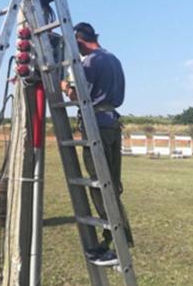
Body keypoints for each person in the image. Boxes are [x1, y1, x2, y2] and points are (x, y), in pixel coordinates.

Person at [60, 22, 134, 267]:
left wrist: (64, 87)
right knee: (112, 182)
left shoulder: (90, 62)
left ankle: (114, 239)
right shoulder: (113, 59)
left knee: (99, 183)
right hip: (112, 124)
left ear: (79, 40)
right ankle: (118, 237)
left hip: (97, 127)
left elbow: (79, 95)